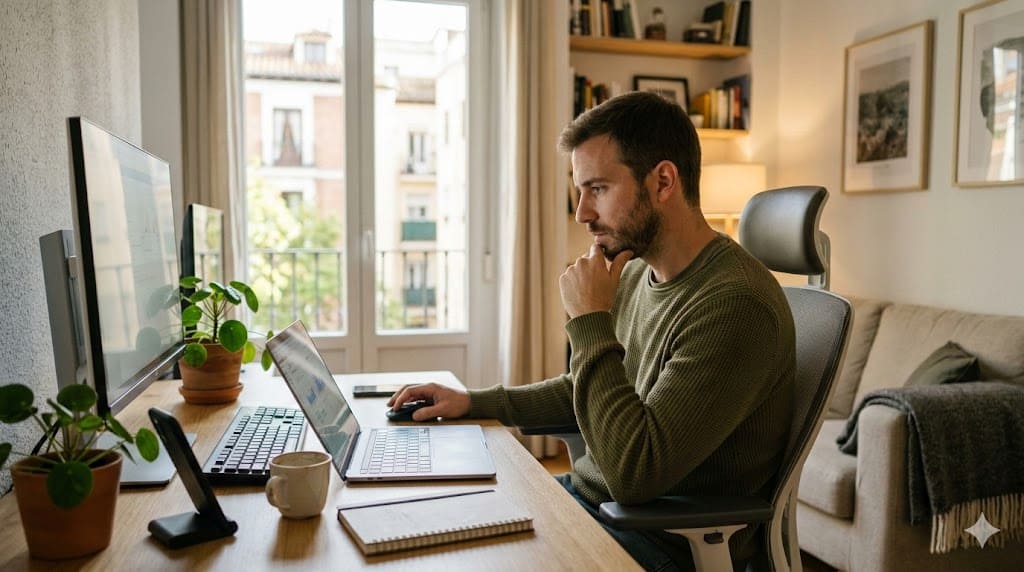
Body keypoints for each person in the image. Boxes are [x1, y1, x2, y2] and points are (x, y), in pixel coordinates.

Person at [388, 91, 795, 570]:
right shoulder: (640, 274)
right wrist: (474, 402)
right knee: (421, 532)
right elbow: (589, 388)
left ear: (663, 181)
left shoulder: (734, 304)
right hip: (587, 509)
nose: (582, 212)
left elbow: (633, 473)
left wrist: (587, 321)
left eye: (597, 189)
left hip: (654, 543)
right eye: (581, 190)